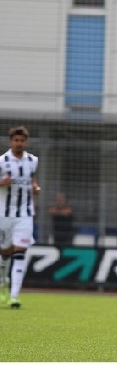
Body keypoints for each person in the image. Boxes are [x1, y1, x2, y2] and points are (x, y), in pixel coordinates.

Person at [0, 126, 42, 309]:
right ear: (11, 142)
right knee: (4, 253)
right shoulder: (2, 161)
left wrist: (36, 188)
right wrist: (2, 183)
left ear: (26, 142)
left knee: (20, 251)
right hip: (4, 214)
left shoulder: (33, 161)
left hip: (25, 214)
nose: (19, 143)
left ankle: (15, 296)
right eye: (16, 140)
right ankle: (3, 283)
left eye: (22, 141)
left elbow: (33, 181)